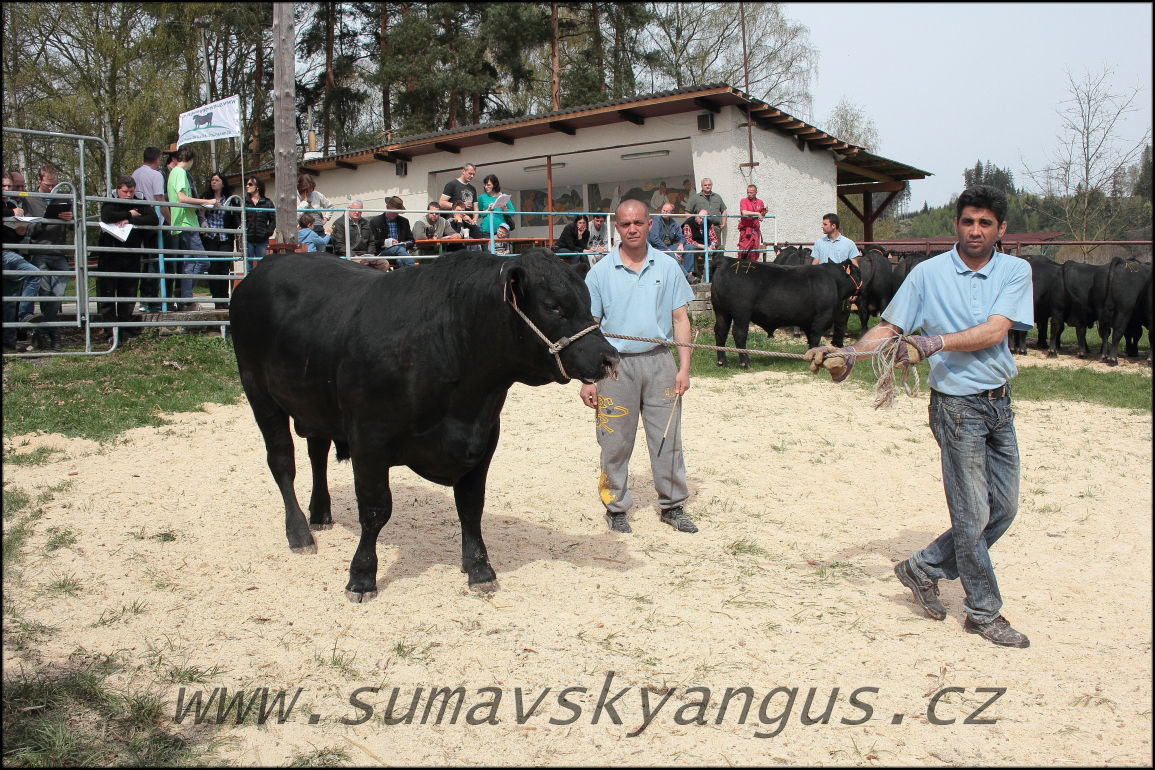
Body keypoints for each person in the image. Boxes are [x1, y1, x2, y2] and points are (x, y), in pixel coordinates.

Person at [804, 186, 1033, 649]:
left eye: (985, 223)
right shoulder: (927, 274)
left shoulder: (1016, 270)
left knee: (1002, 508)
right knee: (973, 514)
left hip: (998, 402)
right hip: (956, 408)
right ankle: (984, 612)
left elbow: (995, 329)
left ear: (1001, 229)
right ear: (956, 224)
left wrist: (934, 343)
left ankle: (923, 566)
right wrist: (848, 353)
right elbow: (890, 329)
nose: (975, 230)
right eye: (968, 221)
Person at [580, 198, 698, 535]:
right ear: (616, 228)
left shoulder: (667, 266)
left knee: (667, 438)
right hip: (614, 368)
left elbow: (680, 318)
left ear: (649, 225)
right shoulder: (599, 272)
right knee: (614, 440)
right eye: (625, 224)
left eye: (639, 223)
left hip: (660, 361)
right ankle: (615, 507)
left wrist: (684, 368)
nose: (632, 229)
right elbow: (591, 328)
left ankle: (673, 505)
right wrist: (589, 378)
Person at [96, 175, 159, 337]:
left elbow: (153, 218)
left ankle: (125, 328)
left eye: (131, 191)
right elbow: (107, 216)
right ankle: (109, 330)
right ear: (118, 190)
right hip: (110, 254)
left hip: (131, 254)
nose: (129, 195)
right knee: (108, 292)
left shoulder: (140, 200)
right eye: (125, 191)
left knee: (128, 292)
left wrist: (129, 219)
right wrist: (130, 213)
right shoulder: (110, 201)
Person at [22, 164, 76, 351]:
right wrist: (46, 220)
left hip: (59, 252)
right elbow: (28, 229)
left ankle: (42, 332)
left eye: (54, 185)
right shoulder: (30, 200)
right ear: (39, 180)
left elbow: (74, 227)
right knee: (45, 294)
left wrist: (70, 218)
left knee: (58, 293)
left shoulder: (62, 198)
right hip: (40, 251)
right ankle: (54, 335)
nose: (51, 188)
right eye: (47, 185)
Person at [166, 147, 215, 309]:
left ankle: (185, 296)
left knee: (189, 263)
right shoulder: (180, 173)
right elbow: (181, 198)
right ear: (191, 159)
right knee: (203, 261)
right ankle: (185, 295)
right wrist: (206, 202)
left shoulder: (173, 172)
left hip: (184, 222)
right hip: (186, 223)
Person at [3, 171, 44, 352]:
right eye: (3, 186)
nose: (7, 190)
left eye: (9, 187)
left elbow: (13, 236)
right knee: (33, 273)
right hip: (6, 254)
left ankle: (8, 342)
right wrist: (11, 212)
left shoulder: (11, 204)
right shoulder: (10, 207)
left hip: (11, 252)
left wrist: (20, 232)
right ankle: (25, 314)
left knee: (10, 299)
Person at [810, 212, 860, 342]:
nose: (822, 226)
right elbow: (815, 263)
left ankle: (838, 345)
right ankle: (817, 343)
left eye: (825, 224)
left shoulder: (848, 243)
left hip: (841, 288)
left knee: (841, 318)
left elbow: (855, 266)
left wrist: (854, 290)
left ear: (833, 226)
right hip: (823, 287)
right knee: (820, 316)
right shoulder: (819, 243)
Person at [133, 147, 168, 311]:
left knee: (145, 260)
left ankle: (144, 299)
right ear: (157, 158)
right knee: (154, 260)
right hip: (153, 221)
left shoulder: (135, 174)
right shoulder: (156, 175)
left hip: (138, 220)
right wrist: (170, 219)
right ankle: (151, 300)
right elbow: (159, 199)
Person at [201, 171, 237, 308]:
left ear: (223, 183)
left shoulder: (230, 198)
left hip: (225, 236)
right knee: (213, 268)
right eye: (212, 180)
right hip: (210, 236)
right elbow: (200, 213)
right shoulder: (205, 197)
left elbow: (235, 216)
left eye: (216, 180)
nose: (213, 182)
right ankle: (217, 299)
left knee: (224, 268)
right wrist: (203, 224)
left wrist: (235, 229)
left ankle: (224, 298)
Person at [648, 202, 695, 283]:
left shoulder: (673, 223)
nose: (664, 212)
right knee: (671, 254)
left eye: (667, 211)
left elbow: (681, 236)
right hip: (657, 248)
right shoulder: (656, 220)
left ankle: (689, 273)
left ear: (671, 213)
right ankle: (686, 276)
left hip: (669, 246)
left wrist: (681, 244)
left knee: (689, 247)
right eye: (663, 210)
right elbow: (654, 239)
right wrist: (668, 250)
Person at [367, 196, 416, 268]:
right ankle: (414, 270)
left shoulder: (404, 221)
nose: (395, 214)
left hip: (401, 254)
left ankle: (402, 278)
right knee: (398, 248)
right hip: (383, 252)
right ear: (387, 207)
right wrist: (386, 242)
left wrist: (405, 244)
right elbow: (372, 242)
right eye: (393, 211)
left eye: (397, 212)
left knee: (400, 260)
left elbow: (411, 240)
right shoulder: (375, 221)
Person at [242, 176, 276, 270]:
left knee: (262, 267)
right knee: (248, 268)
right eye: (247, 184)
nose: (247, 186)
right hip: (248, 239)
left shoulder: (267, 203)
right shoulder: (243, 202)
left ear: (258, 187)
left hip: (262, 240)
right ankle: (248, 285)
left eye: (250, 184)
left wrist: (267, 233)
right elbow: (238, 217)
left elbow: (273, 220)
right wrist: (243, 230)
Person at [477, 174, 514, 254]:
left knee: (503, 254)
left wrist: (505, 210)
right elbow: (478, 214)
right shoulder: (482, 197)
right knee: (487, 255)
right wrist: (488, 209)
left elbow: (513, 212)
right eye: (485, 185)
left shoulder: (503, 196)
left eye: (488, 185)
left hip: (502, 231)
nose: (486, 187)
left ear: (495, 185)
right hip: (486, 231)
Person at [685, 178, 727, 243]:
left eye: (709, 185)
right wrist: (693, 224)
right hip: (701, 228)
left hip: (715, 227)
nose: (707, 186)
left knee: (716, 248)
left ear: (712, 185)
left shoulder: (717, 197)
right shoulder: (695, 198)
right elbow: (687, 212)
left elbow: (723, 210)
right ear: (701, 186)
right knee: (702, 248)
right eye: (705, 185)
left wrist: (723, 223)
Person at [681, 208, 718, 279]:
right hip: (696, 245)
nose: (702, 220)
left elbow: (714, 239)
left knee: (721, 248)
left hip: (707, 245)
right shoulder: (688, 223)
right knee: (690, 248)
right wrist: (703, 246)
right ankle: (696, 274)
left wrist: (712, 246)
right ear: (696, 215)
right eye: (700, 218)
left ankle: (715, 272)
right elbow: (688, 240)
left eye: (704, 219)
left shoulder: (708, 223)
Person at [737, 184, 767, 261]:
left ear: (756, 192)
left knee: (755, 251)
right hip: (746, 230)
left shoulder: (760, 202)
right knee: (743, 250)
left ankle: (753, 267)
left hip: (755, 231)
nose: (749, 194)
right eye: (748, 192)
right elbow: (744, 212)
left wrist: (764, 212)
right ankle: (741, 266)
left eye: (751, 192)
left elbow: (761, 214)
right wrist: (757, 213)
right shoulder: (743, 201)